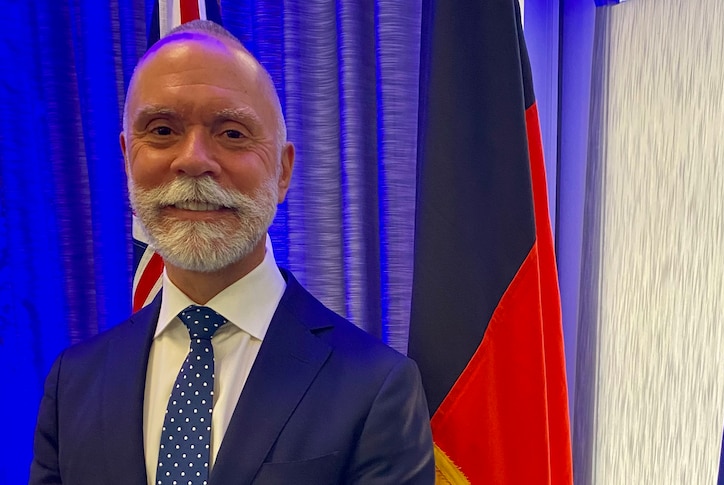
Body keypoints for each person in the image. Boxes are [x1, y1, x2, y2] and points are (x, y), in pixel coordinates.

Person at [29, 20, 434, 485]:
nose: (194, 160)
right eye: (162, 130)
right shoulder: (73, 385)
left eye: (233, 133)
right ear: (127, 158)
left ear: (282, 172)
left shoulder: (377, 387)